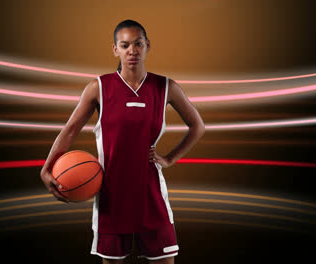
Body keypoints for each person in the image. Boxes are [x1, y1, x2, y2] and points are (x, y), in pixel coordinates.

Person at [40, 19, 205, 264]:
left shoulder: (166, 87)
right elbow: (71, 129)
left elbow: (197, 126)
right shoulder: (98, 87)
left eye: (138, 44)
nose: (132, 50)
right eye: (125, 45)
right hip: (110, 195)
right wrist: (46, 168)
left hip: (150, 194)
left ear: (147, 45)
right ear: (115, 49)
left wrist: (169, 159)